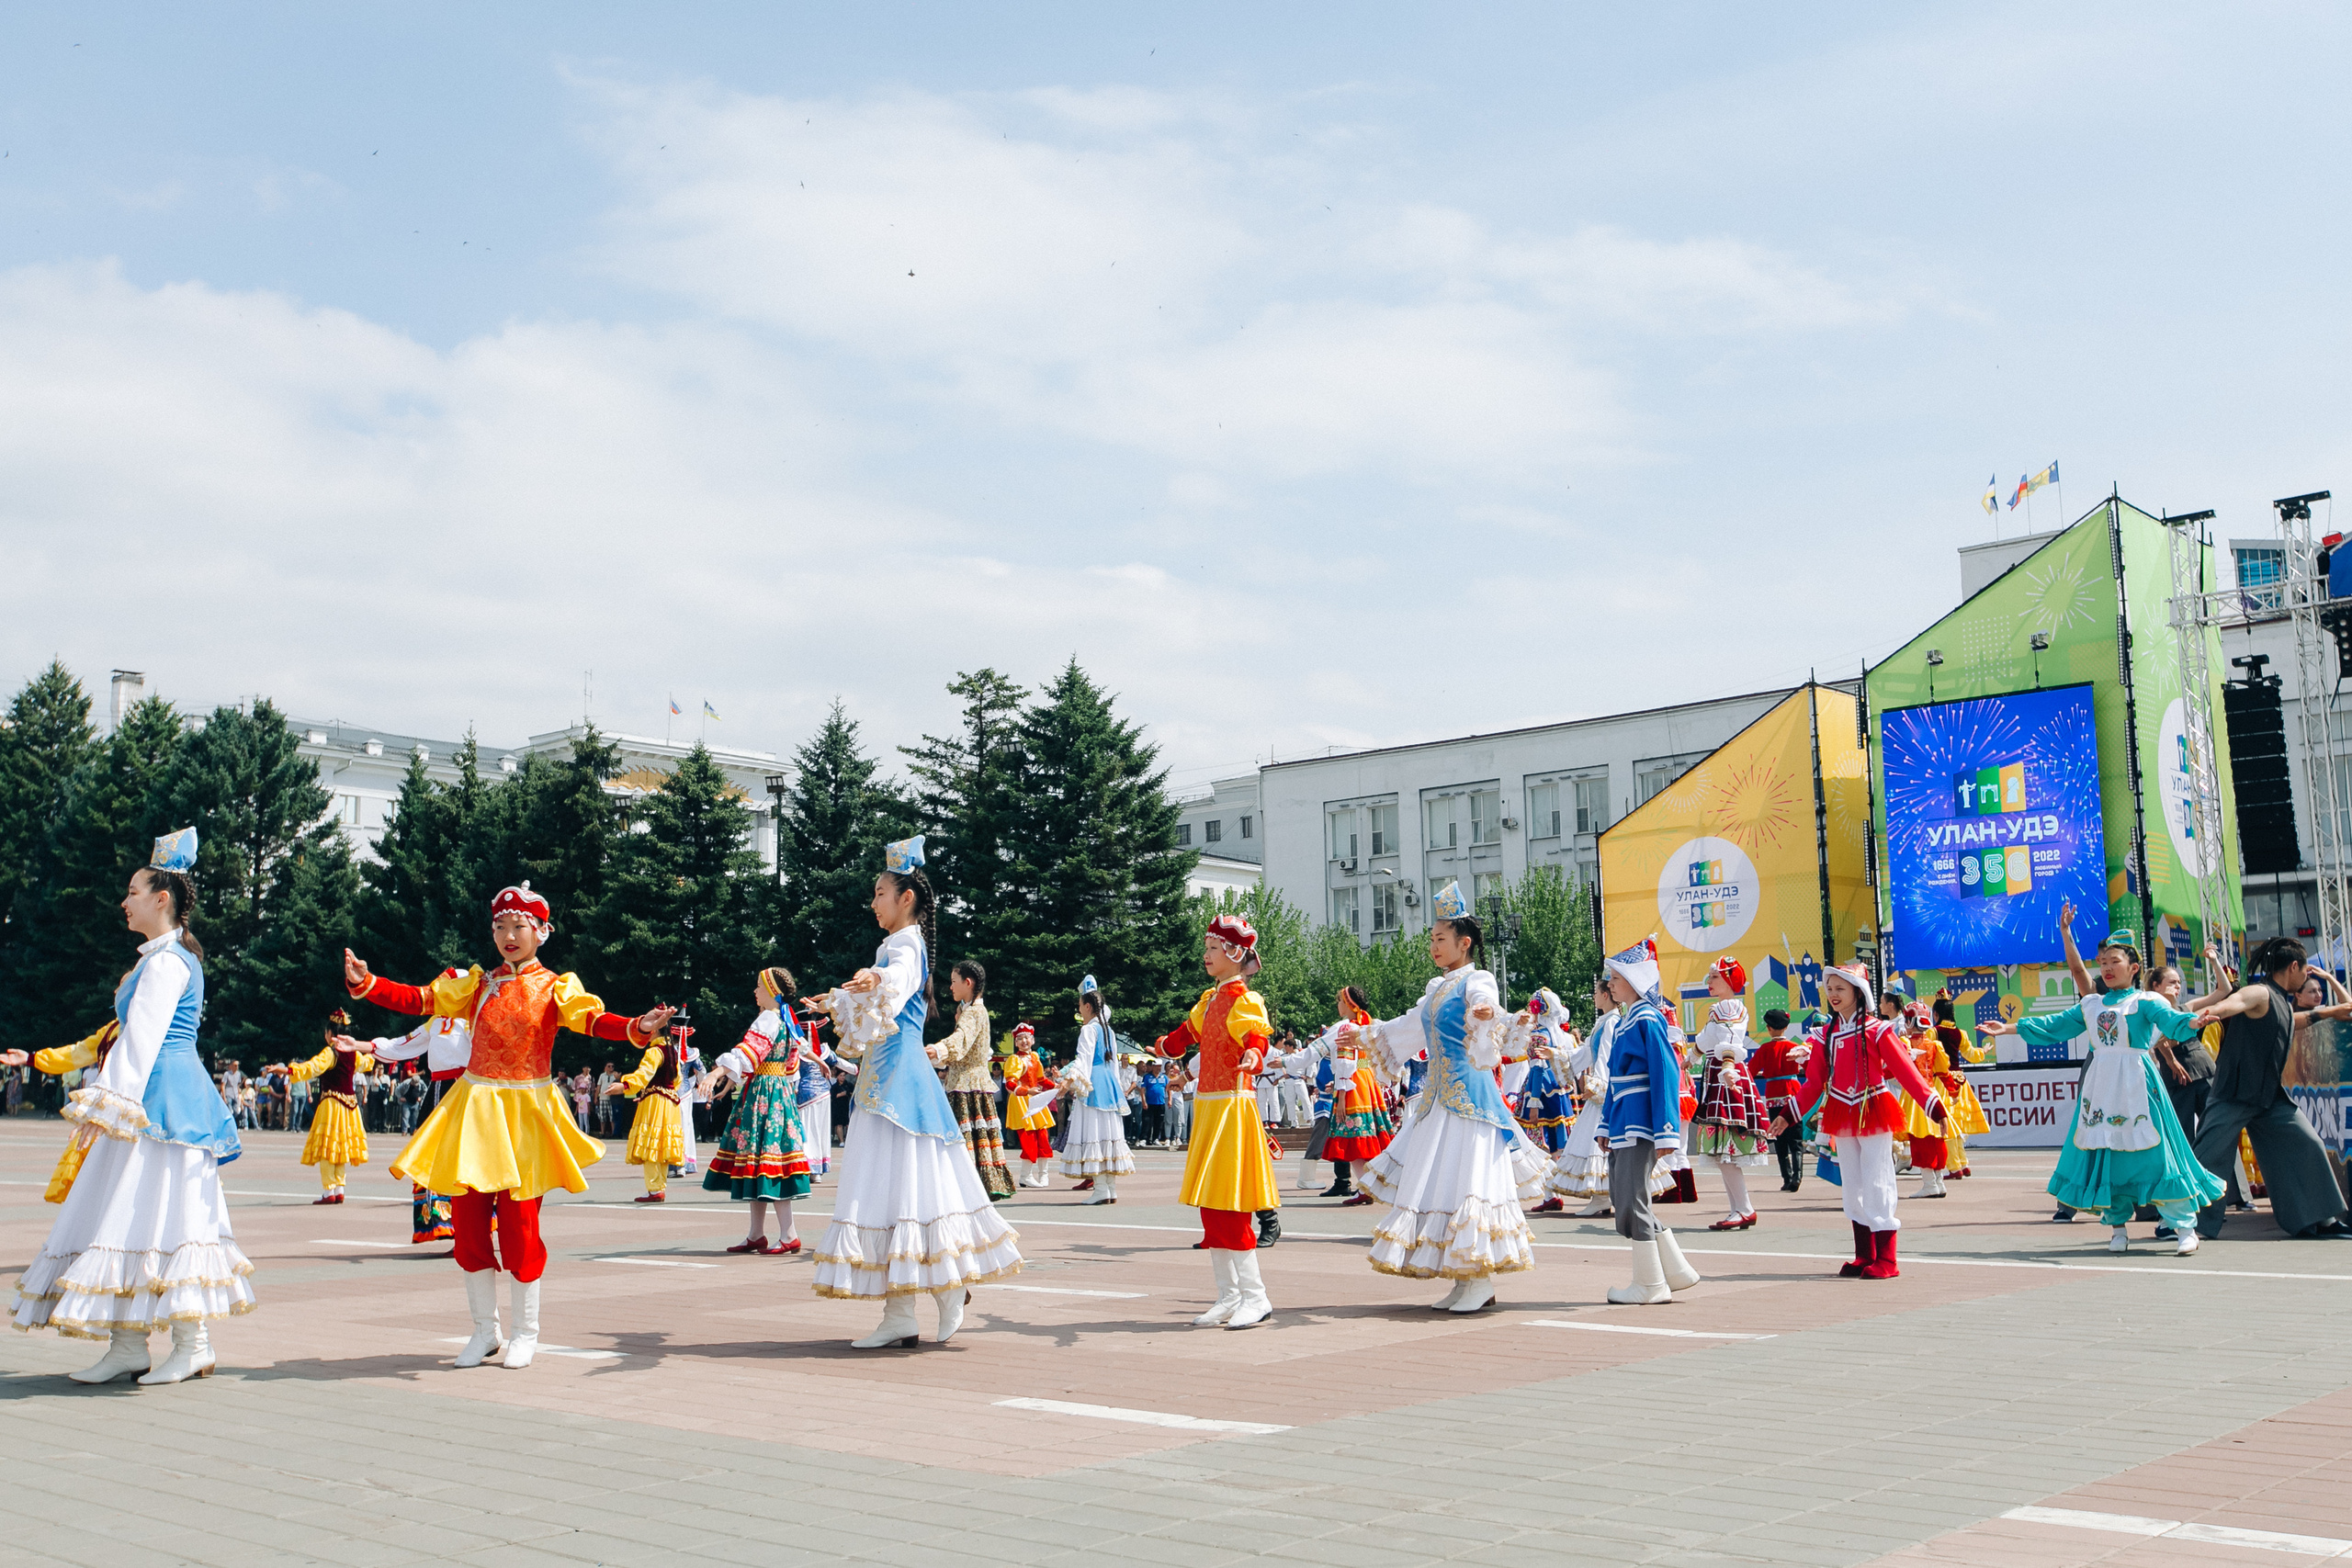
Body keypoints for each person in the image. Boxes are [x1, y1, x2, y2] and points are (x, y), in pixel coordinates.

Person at [345, 880, 673, 1370]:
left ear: (542, 931)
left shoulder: (555, 986)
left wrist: (638, 1027)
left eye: (519, 926)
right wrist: (366, 984)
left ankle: (526, 1332)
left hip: (524, 1113)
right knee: (469, 1222)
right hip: (474, 1110)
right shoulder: (477, 983)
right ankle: (485, 1331)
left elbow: (595, 1020)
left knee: (520, 1225)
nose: (508, 935)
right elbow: (419, 1001)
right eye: (500, 926)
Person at [4, 830, 252, 1385]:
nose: (125, 900)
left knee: (169, 1216)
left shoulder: (167, 963)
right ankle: (129, 1344)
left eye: (134, 890)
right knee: (130, 1214)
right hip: (153, 1099)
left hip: (161, 1102)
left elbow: (142, 1038)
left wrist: (108, 1104)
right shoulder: (163, 957)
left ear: (161, 898)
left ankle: (193, 1343)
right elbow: (120, 1036)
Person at [802, 836, 1023, 1348]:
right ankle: (901, 1311)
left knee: (903, 1185)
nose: (874, 902)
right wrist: (839, 997)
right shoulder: (894, 945)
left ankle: (944, 1290)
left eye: (880, 893)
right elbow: (883, 994)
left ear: (906, 898)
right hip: (886, 1081)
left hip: (900, 1083)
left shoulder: (905, 946)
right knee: (887, 1190)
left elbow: (897, 983)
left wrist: (871, 979)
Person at [1340, 883, 1545, 1314]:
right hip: (1437, 1100)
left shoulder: (1476, 979)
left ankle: (1479, 1276)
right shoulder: (1437, 988)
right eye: (1431, 939)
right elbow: (1408, 1027)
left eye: (1440, 938)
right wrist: (1368, 1033)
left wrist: (1487, 1012)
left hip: (1470, 1100)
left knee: (1470, 1182)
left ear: (1463, 942)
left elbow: (1484, 1001)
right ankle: (1463, 1277)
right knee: (1444, 1184)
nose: (1433, 946)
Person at [1978, 927, 2220, 1255]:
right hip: (2102, 1088)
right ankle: (2118, 1228)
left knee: (2158, 1154)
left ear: (2133, 968)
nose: (2106, 967)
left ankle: (2183, 1227)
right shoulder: (2091, 1005)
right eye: (2103, 962)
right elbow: (2055, 1025)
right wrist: (2008, 1028)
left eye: (2114, 961)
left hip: (2138, 1083)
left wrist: (2191, 1023)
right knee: (2107, 1155)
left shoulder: (2145, 1000)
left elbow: (2170, 1020)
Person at [1150, 913, 1280, 1328]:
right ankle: (1228, 1296)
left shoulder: (1245, 998)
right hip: (1208, 1106)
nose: (1205, 954)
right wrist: (1166, 1045)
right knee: (1212, 1206)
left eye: (1211, 948)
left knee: (1231, 1203)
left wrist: (1254, 1054)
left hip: (1232, 1106)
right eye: (1206, 947)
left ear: (1234, 952)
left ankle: (1255, 1297)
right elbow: (1184, 1035)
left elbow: (1257, 1037)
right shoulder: (1209, 999)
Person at [1774, 963, 1944, 1280]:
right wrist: (1788, 1114)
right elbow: (1813, 1083)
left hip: (1874, 1107)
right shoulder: (1826, 1034)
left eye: (1840, 988)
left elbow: (1906, 1071)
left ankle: (1888, 1260)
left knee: (1878, 1178)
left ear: (1857, 991)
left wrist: (1932, 1106)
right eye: (1830, 989)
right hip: (1842, 1110)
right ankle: (1864, 1255)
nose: (1833, 995)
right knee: (1852, 1183)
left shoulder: (1878, 1030)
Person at [2188, 936, 2352, 1240]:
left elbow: (2291, 1021)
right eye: (2304, 973)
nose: (2306, 979)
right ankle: (2181, 1223)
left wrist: (2326, 1013)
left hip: (2269, 1098)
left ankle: (2320, 1220)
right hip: (2233, 1095)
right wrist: (2212, 1013)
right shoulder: (2259, 992)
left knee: (2309, 1145)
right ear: (2293, 967)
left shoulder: (2280, 1001)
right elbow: (2233, 1003)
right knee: (2207, 1157)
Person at [1595, 938, 1702, 1304]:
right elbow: (1614, 1082)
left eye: (1616, 977)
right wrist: (1605, 1125)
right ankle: (1674, 1272)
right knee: (1627, 1198)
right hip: (1625, 1120)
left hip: (1640, 1121)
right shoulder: (1629, 1019)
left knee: (1632, 1200)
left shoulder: (1648, 1019)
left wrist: (1667, 1129)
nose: (1610, 983)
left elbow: (1664, 1073)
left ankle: (1650, 1285)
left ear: (1636, 982)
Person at [704, 967, 816, 1253]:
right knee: (761, 1162)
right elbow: (793, 1062)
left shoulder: (768, 1018)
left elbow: (747, 1054)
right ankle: (757, 1234)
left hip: (764, 1094)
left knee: (770, 1159)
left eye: (759, 987)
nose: (755, 992)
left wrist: (715, 1073)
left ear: (773, 991)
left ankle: (788, 1234)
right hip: (777, 1092)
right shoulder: (786, 1021)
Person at [1687, 957, 1770, 1231]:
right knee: (1723, 1151)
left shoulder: (1729, 1006)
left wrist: (1728, 1067)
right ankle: (1738, 1208)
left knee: (1726, 1150)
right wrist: (1690, 1057)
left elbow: (1728, 1042)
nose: (1709, 982)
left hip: (1726, 1078)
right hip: (1720, 1074)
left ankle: (1744, 1208)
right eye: (1710, 977)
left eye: (1715, 977)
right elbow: (1706, 1038)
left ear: (1730, 981)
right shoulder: (1720, 1008)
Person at [938, 960, 1016, 1201]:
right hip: (974, 1083)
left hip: (966, 1085)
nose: (950, 987)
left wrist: (937, 1050)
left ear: (967, 982)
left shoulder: (973, 1012)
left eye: (954, 982)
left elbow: (961, 1040)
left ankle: (967, 1184)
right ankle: (983, 1182)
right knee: (976, 1133)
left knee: (965, 1134)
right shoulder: (974, 1010)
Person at [1544, 976, 1619, 1215]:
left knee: (1597, 1139)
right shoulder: (1604, 1021)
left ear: (1605, 995)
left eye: (1596, 992)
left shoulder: (1611, 1022)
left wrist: (1599, 1085)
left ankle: (1603, 1196)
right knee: (1595, 1140)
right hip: (1603, 1090)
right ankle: (1602, 1195)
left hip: (1606, 1092)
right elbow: (1587, 1053)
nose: (1594, 996)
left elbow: (1606, 1056)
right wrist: (1556, 1054)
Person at [1057, 976, 1135, 1203]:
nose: (1079, 1010)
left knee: (1094, 1133)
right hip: (1109, 1084)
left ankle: (1101, 1189)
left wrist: (1069, 1080)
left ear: (1088, 1006)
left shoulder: (1089, 1030)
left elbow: (1084, 1059)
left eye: (1080, 1006)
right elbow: (1112, 1064)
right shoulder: (1108, 1030)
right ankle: (1109, 1188)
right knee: (1108, 1135)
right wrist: (1117, 1089)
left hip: (1093, 1085)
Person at [285, 1010, 373, 1204]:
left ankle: (328, 1191)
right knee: (340, 1147)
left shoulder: (330, 1051)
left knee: (327, 1147)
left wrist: (288, 1069)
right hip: (350, 1106)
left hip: (332, 1104)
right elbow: (367, 1062)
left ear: (330, 1034)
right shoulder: (352, 1053)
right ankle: (339, 1188)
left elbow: (312, 1067)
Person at [607, 1022, 692, 1203]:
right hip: (670, 1101)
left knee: (651, 1144)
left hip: (656, 1102)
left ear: (655, 1030)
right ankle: (659, 1188)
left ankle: (654, 1189)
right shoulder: (671, 1051)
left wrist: (625, 1085)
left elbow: (644, 1074)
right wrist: (651, 1092)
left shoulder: (654, 1051)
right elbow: (677, 1079)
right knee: (662, 1144)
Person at [1749, 1009, 1812, 1193]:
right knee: (1796, 1139)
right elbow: (1809, 1068)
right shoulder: (1795, 1047)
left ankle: (1787, 1177)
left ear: (1769, 1028)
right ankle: (1798, 1176)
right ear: (1786, 1026)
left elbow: (1750, 1071)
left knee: (1779, 1138)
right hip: (1794, 1095)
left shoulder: (1764, 1049)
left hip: (1774, 1096)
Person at [1001, 1023, 1057, 1187]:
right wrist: (1026, 1091)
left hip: (1035, 1100)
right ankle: (1026, 1176)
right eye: (1020, 1039)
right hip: (1021, 1101)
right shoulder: (1014, 1060)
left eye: (1027, 1038)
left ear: (1032, 1040)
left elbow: (1041, 1080)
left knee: (1043, 1137)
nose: (1024, 1041)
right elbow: (1009, 1084)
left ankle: (1043, 1174)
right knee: (1028, 1139)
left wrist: (1057, 1086)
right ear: (1016, 1042)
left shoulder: (1034, 1057)